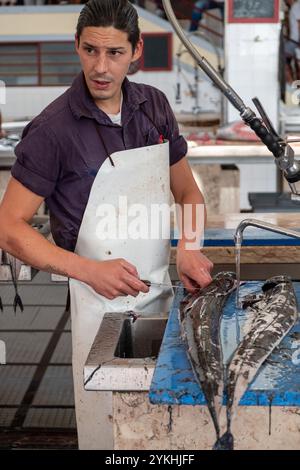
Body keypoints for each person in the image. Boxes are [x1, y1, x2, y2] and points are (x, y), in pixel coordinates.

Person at [0, 0, 213, 449]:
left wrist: (189, 247)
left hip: (159, 294)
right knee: (109, 432)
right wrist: (89, 270)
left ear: (136, 51)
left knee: (169, 432)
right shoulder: (52, 130)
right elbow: (10, 228)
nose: (101, 66)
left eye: (114, 52)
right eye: (91, 50)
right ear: (76, 47)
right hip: (96, 305)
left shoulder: (153, 106)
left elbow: (189, 193)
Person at [284, 0, 300, 82]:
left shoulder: (297, 6)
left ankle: (291, 85)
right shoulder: (295, 7)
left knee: (281, 56)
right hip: (294, 41)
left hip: (296, 42)